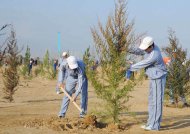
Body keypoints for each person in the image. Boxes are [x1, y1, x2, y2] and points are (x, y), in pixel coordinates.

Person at [127, 36, 167, 131]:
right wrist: (127, 49)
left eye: (146, 48)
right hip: (153, 77)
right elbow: (140, 51)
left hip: (158, 78)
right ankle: (150, 123)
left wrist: (128, 68)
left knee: (157, 102)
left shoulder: (154, 55)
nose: (145, 50)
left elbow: (142, 63)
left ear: (151, 46)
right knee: (152, 101)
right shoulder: (151, 48)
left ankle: (154, 126)